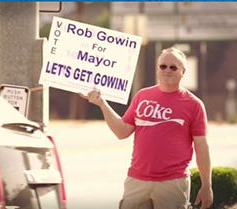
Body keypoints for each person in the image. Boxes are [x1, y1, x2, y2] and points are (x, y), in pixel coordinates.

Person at [80, 47, 213, 209]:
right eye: (163, 66)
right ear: (157, 69)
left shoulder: (194, 105)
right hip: (136, 181)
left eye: (173, 67)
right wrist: (102, 103)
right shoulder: (142, 96)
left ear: (183, 72)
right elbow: (122, 131)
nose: (167, 70)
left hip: (172, 182)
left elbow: (202, 147)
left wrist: (207, 185)